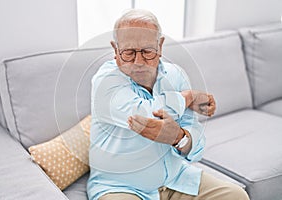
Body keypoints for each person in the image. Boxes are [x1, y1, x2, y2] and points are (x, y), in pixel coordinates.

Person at [87, 9, 249, 200]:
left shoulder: (175, 75)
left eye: (147, 51)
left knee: (236, 196)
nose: (139, 62)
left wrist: (179, 138)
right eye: (129, 52)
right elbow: (143, 115)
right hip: (121, 187)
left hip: (176, 179)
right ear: (115, 50)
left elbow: (195, 137)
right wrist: (187, 97)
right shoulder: (105, 80)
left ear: (160, 46)